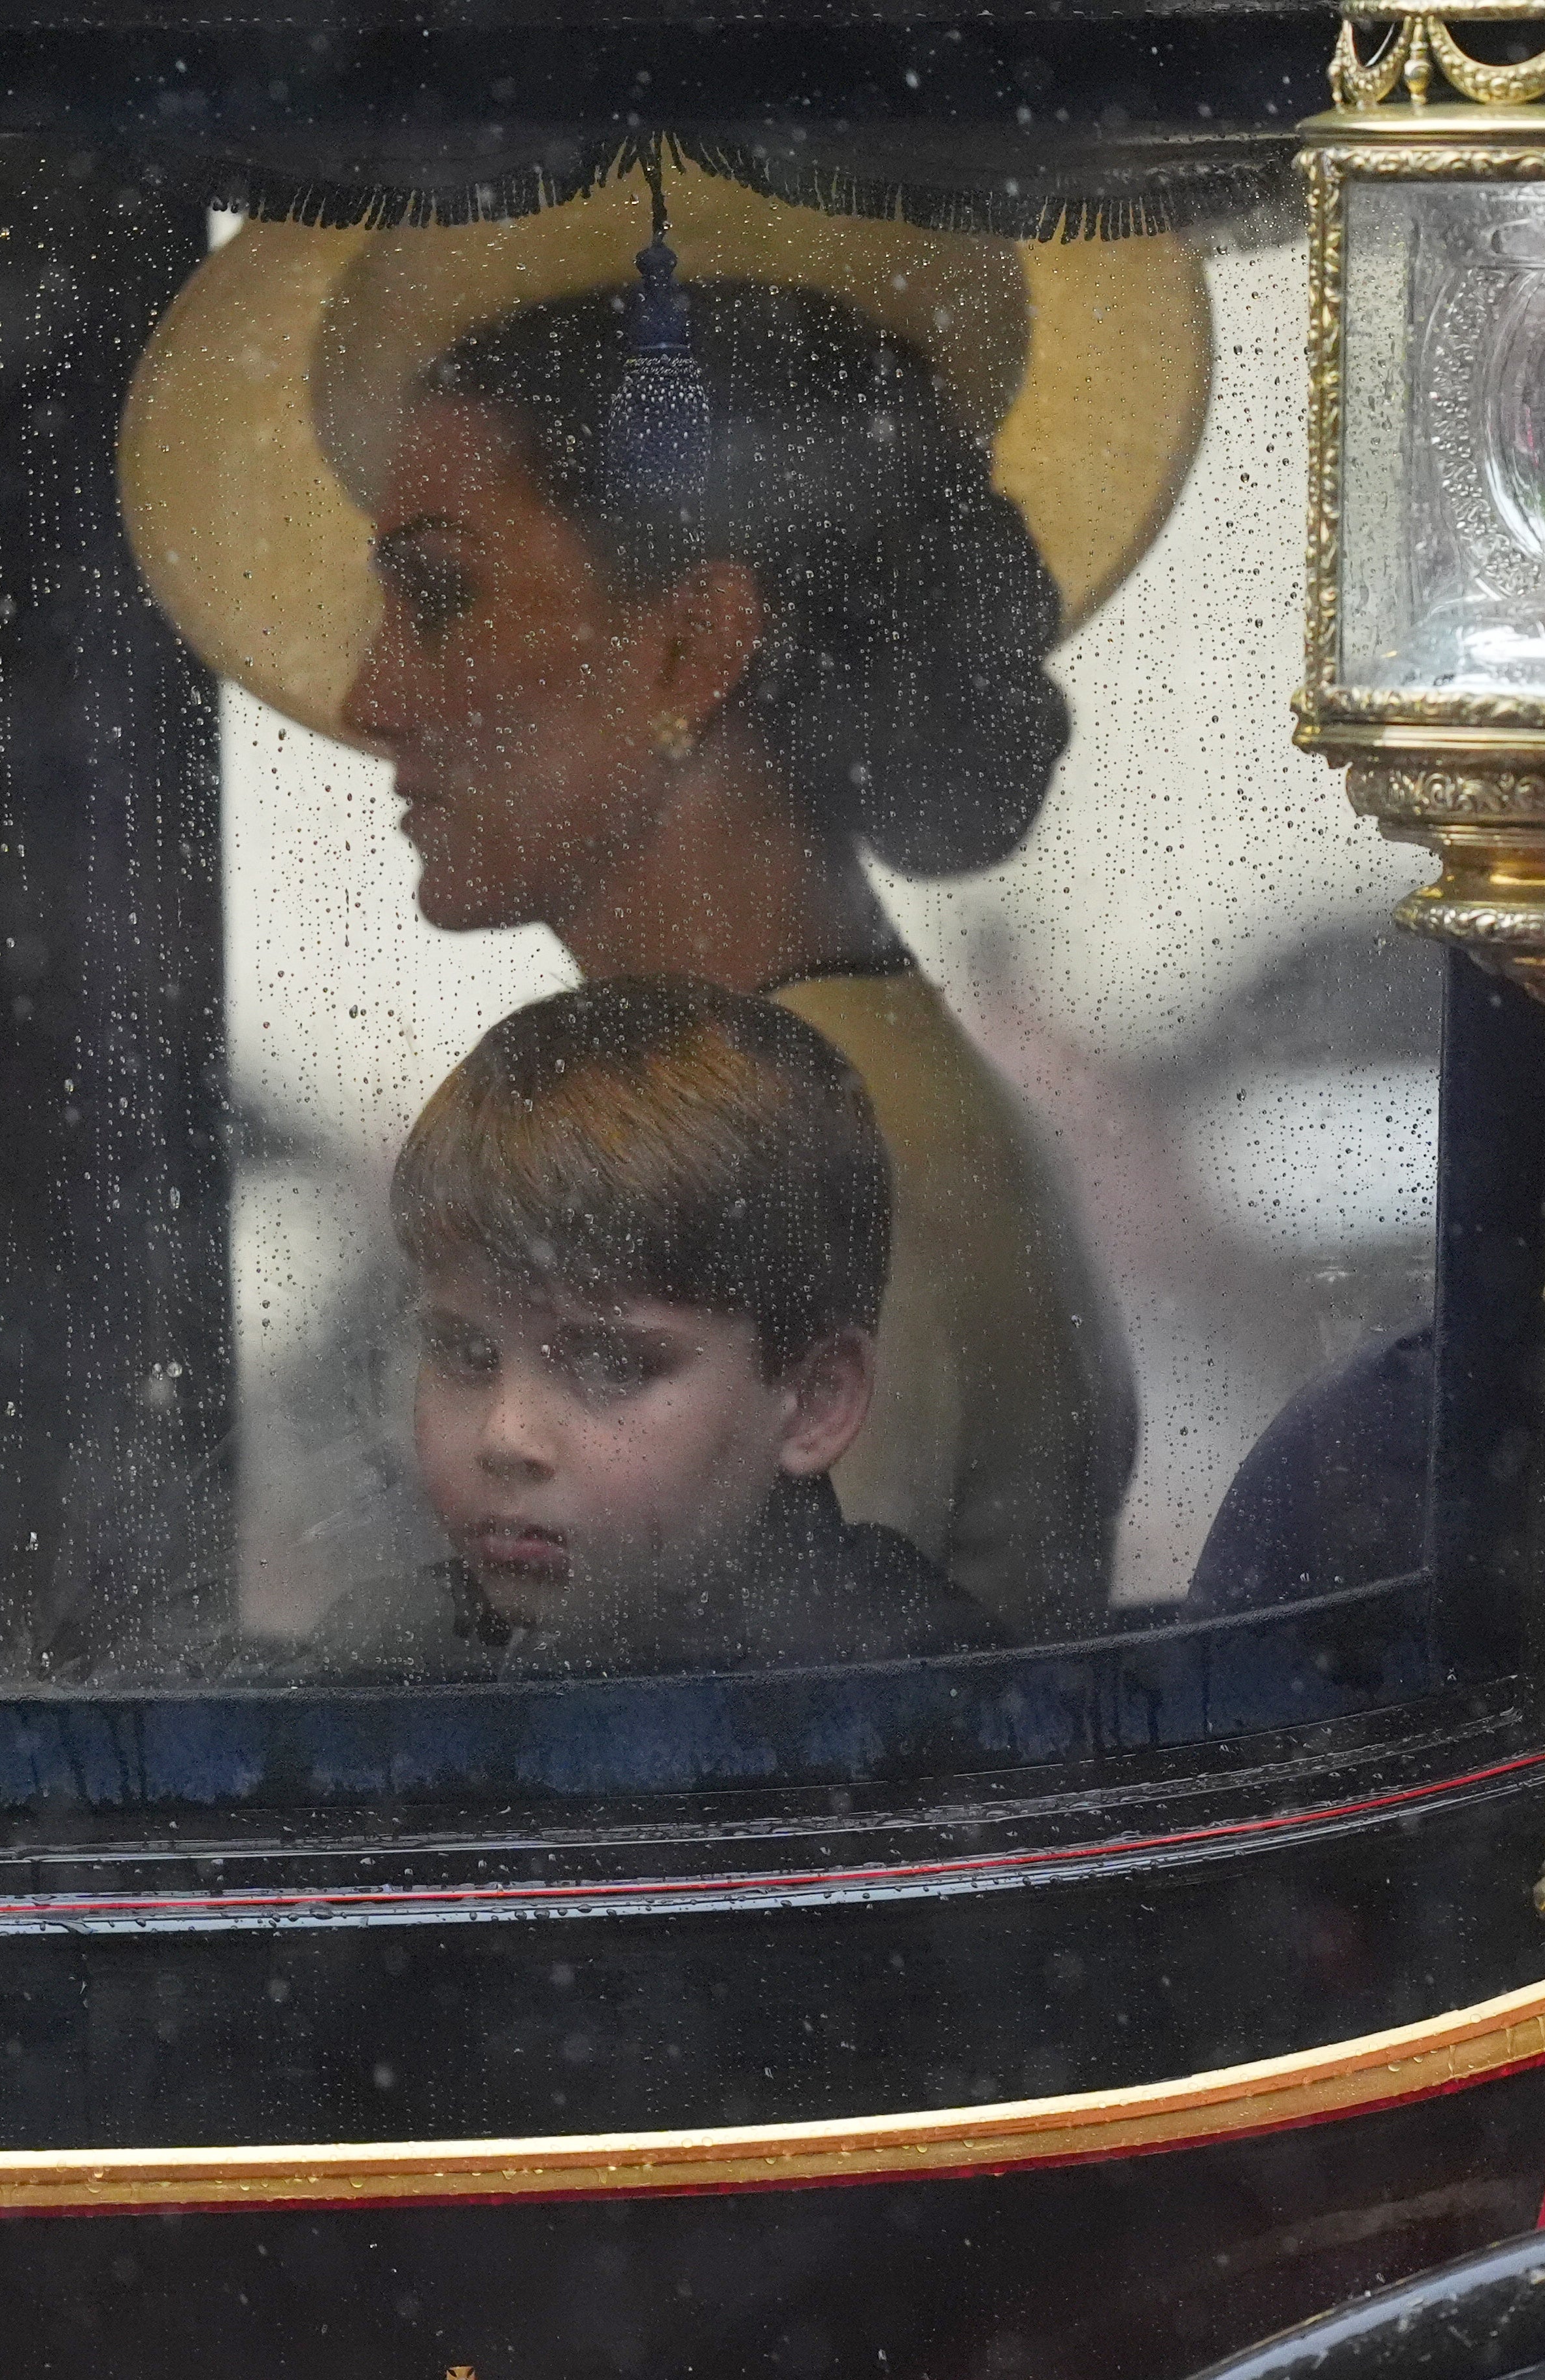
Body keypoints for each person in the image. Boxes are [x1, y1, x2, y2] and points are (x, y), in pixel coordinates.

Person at [330, 277, 1134, 1640]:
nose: (369, 697)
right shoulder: (842, 1086)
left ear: (689, 648)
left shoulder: (844, 1137)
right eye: (468, 1353)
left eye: (441, 597)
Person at [305, 976, 1005, 1680]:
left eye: (611, 1365)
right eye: (464, 1352)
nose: (505, 1438)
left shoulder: (903, 1689)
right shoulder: (401, 1661)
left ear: (814, 1401)